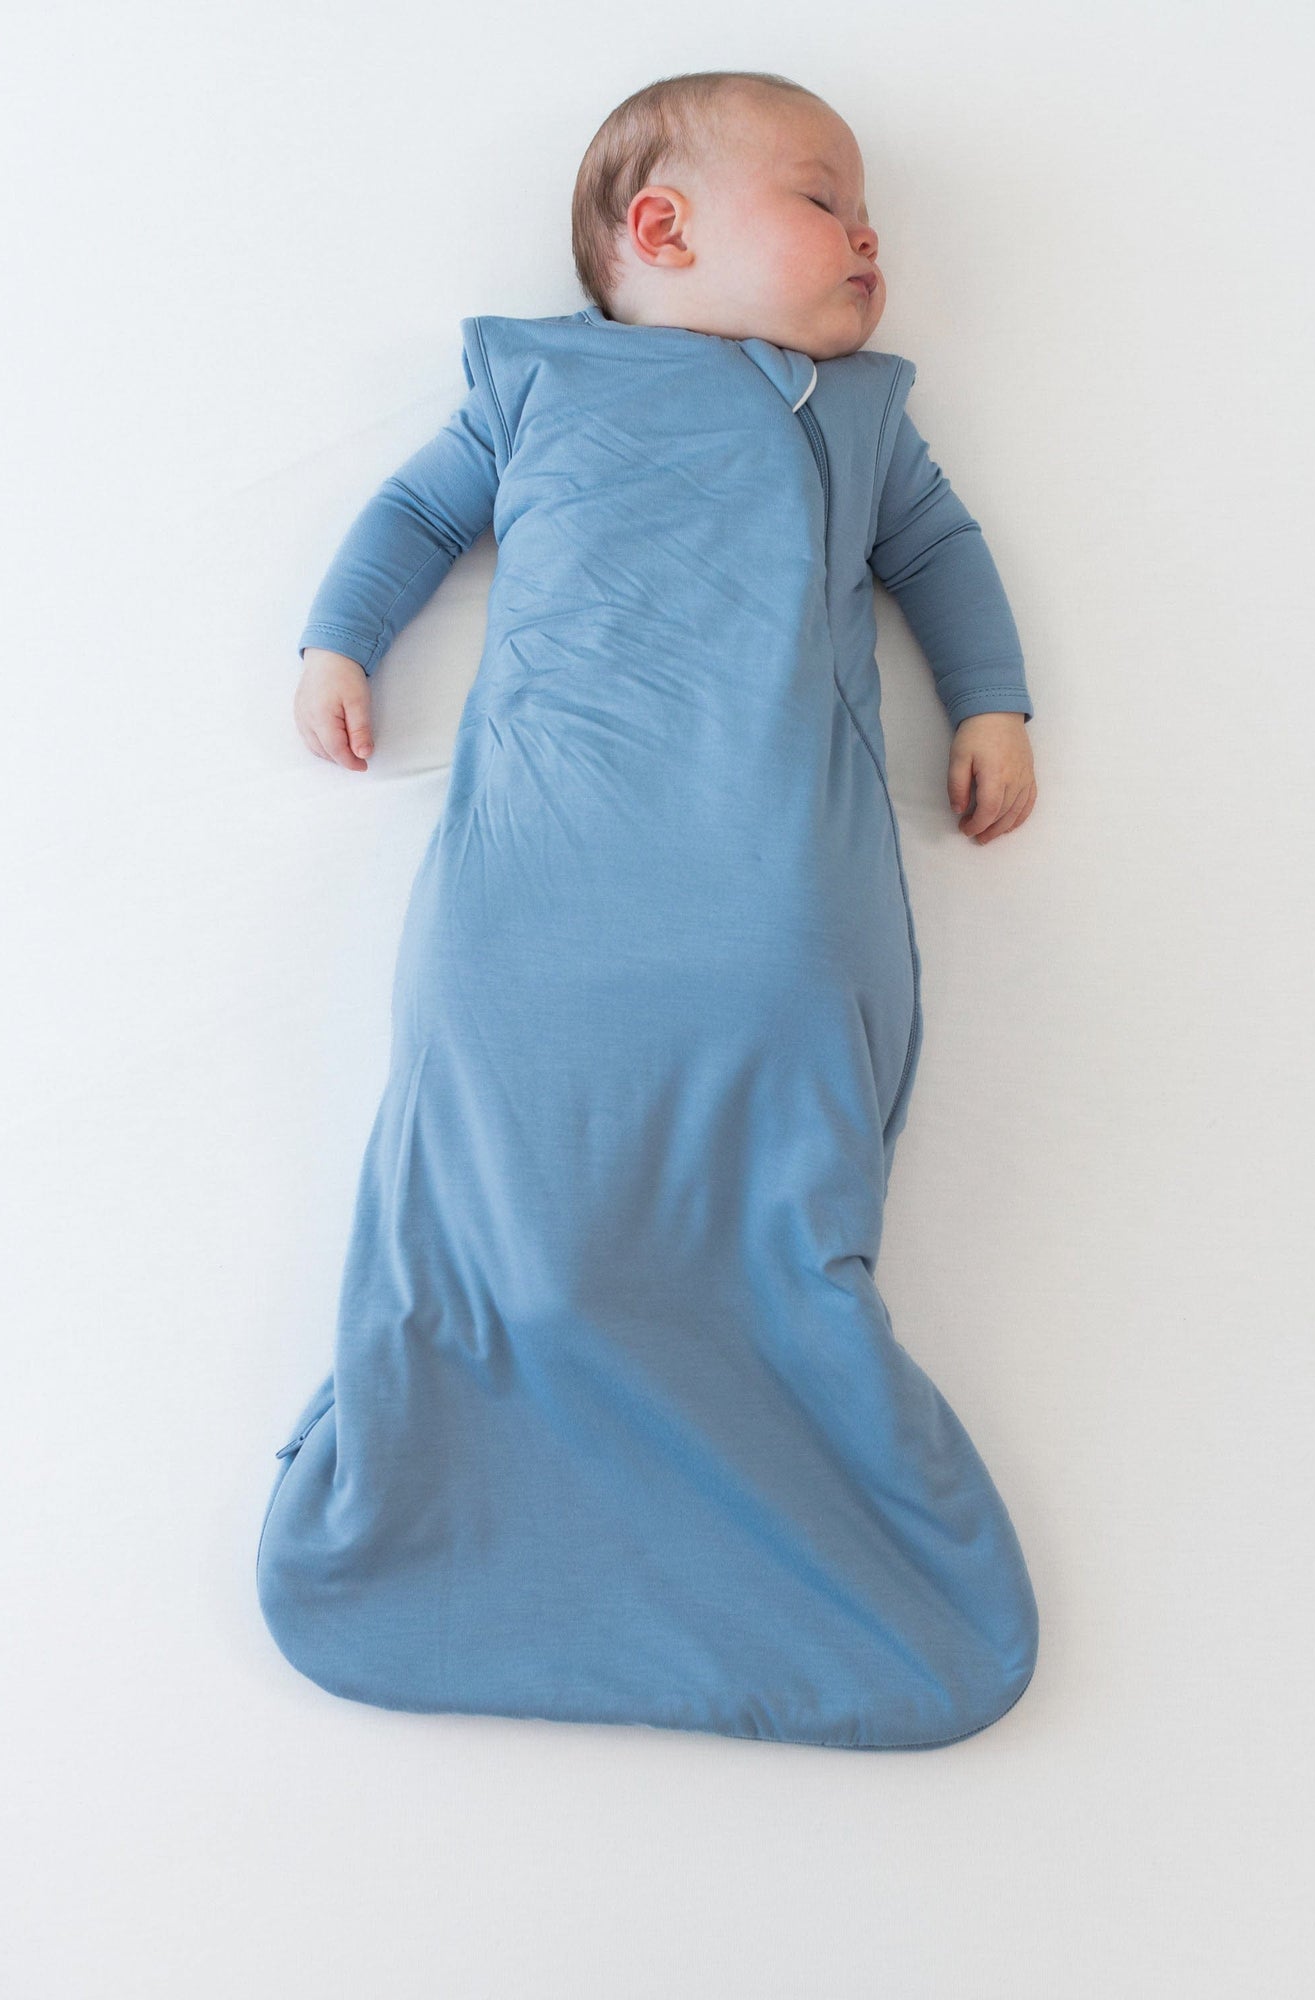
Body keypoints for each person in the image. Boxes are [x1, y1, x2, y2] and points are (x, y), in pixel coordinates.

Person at [259, 70, 1041, 1750]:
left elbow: (942, 552)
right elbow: (415, 513)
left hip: (769, 892)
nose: (871, 237)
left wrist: (991, 703)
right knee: (492, 1176)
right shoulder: (536, 382)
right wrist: (342, 637)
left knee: (766, 1196)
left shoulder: (853, 416)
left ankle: (776, 1429)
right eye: (828, 198)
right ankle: (452, 1458)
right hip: (535, 889)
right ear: (663, 230)